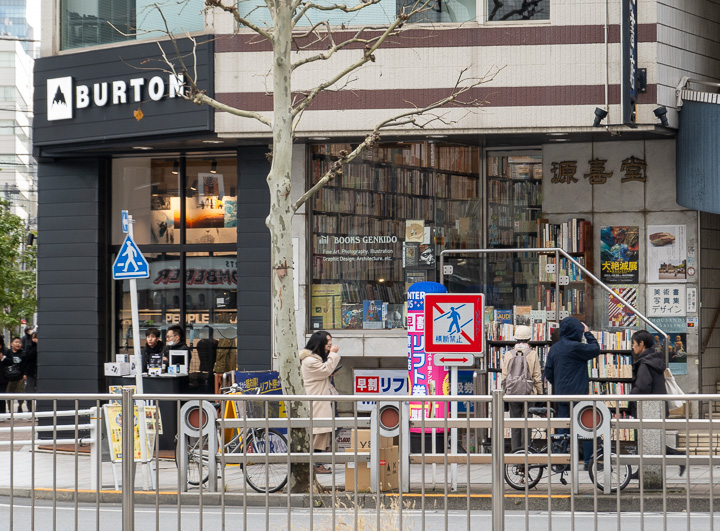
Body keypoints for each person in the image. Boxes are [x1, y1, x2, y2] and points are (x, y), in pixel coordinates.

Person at [543, 316, 601, 470]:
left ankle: (562, 461)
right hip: (579, 394)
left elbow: (548, 373)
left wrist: (558, 385)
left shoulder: (554, 349)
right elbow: (595, 349)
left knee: (563, 428)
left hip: (562, 395)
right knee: (587, 427)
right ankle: (589, 462)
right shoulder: (577, 347)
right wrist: (587, 333)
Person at [629, 329, 686, 477]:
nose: (632, 346)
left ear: (641, 344)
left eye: (633, 343)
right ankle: (642, 470)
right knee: (648, 440)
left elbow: (643, 386)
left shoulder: (645, 363)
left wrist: (630, 396)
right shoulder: (655, 360)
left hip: (649, 409)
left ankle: (679, 456)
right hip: (658, 407)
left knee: (649, 440)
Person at [300, 330, 341, 475]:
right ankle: (316, 464)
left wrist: (329, 371)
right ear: (319, 343)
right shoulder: (310, 361)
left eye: (330, 340)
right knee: (319, 433)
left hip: (321, 400)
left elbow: (324, 372)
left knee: (326, 430)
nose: (330, 343)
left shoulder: (314, 359)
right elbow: (324, 370)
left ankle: (318, 461)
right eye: (327, 341)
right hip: (316, 401)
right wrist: (333, 355)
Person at [502, 325, 543, 451]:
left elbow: (504, 377)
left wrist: (505, 393)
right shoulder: (533, 354)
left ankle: (515, 453)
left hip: (512, 394)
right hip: (528, 393)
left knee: (515, 425)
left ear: (516, 339)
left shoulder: (508, 354)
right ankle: (525, 452)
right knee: (527, 424)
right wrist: (540, 394)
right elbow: (537, 376)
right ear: (529, 339)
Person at [2, 337, 26, 413]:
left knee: (20, 393)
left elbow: (25, 364)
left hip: (20, 376)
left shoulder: (23, 353)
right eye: (16, 342)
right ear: (12, 344)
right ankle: (10, 409)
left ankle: (20, 406)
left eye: (19, 342)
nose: (18, 344)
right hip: (9, 377)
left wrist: (25, 374)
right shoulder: (8, 353)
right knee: (9, 394)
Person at [22, 331, 38, 411]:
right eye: (34, 338)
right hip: (30, 373)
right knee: (29, 391)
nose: (36, 340)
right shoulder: (29, 347)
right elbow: (28, 356)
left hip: (39, 373)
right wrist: (37, 347)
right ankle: (30, 410)